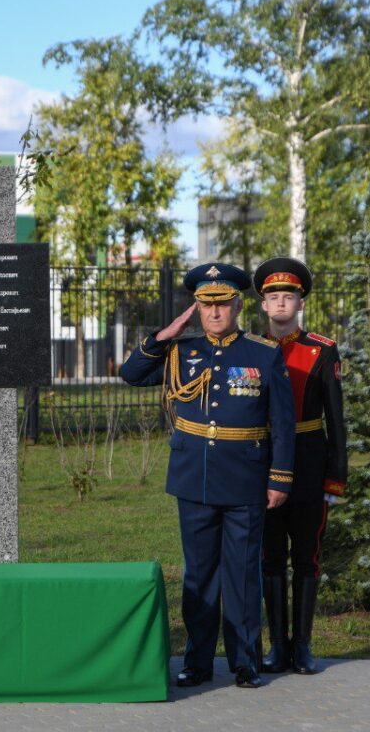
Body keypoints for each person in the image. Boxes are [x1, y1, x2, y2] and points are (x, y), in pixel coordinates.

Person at [120, 262, 295, 689]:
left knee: (242, 574)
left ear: (237, 305)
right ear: (197, 308)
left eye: (222, 305)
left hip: (245, 480)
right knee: (199, 575)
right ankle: (197, 661)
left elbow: (283, 422)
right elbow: (131, 374)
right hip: (194, 478)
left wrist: (279, 478)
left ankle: (244, 660)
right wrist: (164, 335)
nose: (214, 313)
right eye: (205, 305)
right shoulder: (181, 351)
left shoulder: (263, 353)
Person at [253, 257, 347, 675]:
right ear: (262, 305)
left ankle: (304, 646)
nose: (279, 303)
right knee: (270, 556)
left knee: (306, 555)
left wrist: (335, 476)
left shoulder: (322, 351)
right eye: (272, 297)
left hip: (309, 460)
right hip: (264, 462)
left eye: (287, 296)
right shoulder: (251, 350)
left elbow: (337, 420)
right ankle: (277, 647)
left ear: (300, 302)